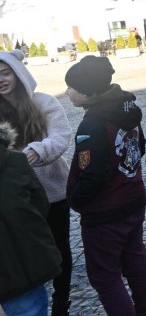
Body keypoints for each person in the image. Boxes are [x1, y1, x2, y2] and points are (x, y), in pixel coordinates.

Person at [64, 56, 146, 315]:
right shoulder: (126, 111)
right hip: (133, 199)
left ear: (87, 90)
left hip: (105, 212)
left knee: (105, 277)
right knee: (136, 262)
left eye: (71, 86)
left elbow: (92, 172)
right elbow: (140, 147)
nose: (68, 92)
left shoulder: (92, 123)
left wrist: (78, 201)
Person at [0, 50, 72, 316]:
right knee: (28, 252)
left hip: (53, 190)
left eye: (5, 73)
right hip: (17, 197)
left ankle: (62, 302)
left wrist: (37, 150)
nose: (1, 80)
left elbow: (61, 136)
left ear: (18, 73)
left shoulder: (44, 102)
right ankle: (34, 297)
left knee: (60, 249)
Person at [1, 120, 62, 316]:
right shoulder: (16, 160)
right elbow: (40, 206)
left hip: (21, 271)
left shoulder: (16, 161)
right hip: (24, 267)